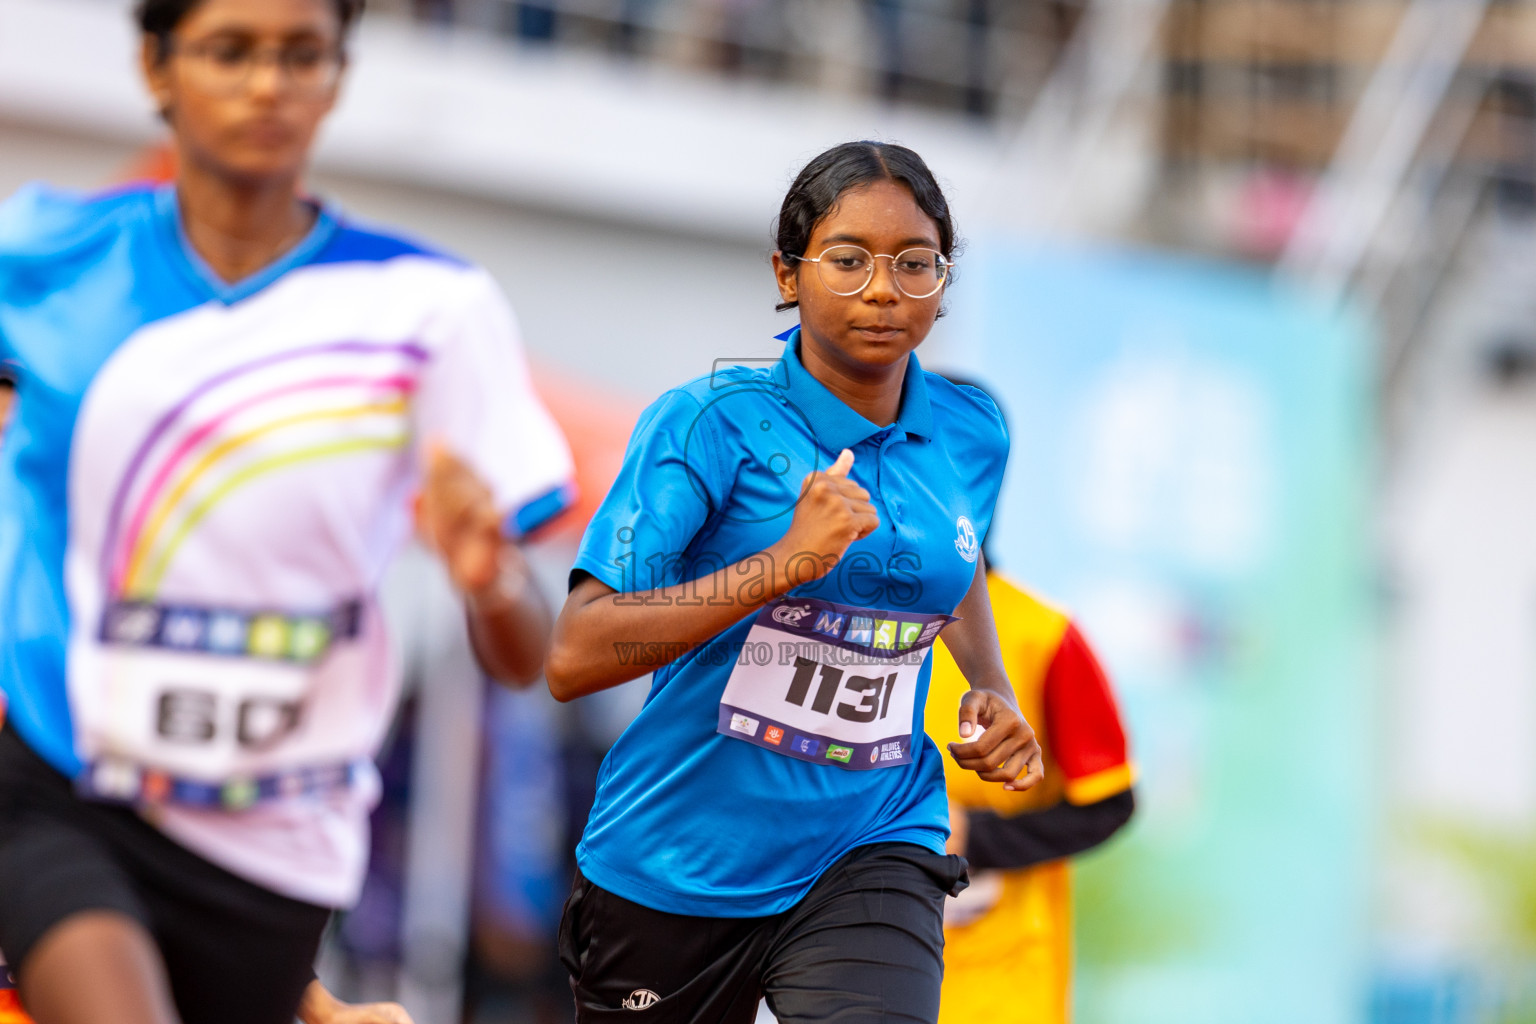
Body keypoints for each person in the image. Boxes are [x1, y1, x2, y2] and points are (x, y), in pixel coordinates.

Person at [0, 1, 575, 1022]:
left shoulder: (429, 311)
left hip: (277, 843)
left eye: (300, 55)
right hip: (60, 785)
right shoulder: (41, 258)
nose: (267, 85)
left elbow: (527, 658)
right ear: (157, 64)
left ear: (338, 73)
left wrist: (489, 581)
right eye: (230, 51)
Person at [545, 140, 1043, 1023]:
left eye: (914, 264)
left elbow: (953, 568)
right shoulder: (709, 426)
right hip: (679, 863)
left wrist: (992, 688)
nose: (883, 289)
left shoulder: (975, 431)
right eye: (848, 260)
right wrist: (787, 565)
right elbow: (576, 654)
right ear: (789, 272)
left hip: (873, 839)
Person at [922, 379, 1135, 1024]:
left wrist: (975, 836)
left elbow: (1108, 804)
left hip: (999, 980)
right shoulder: (836, 618)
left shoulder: (1045, 638)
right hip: (849, 967)